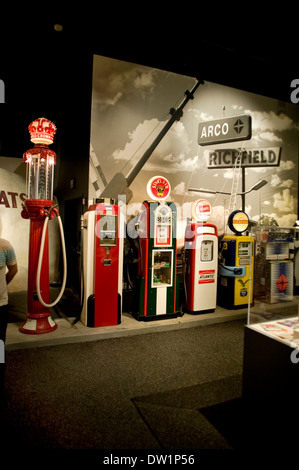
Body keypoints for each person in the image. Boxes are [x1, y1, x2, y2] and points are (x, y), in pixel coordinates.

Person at [0, 237, 17, 390]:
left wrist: (3, 286)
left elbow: (14, 269)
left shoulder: (5, 245)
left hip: (1, 304)